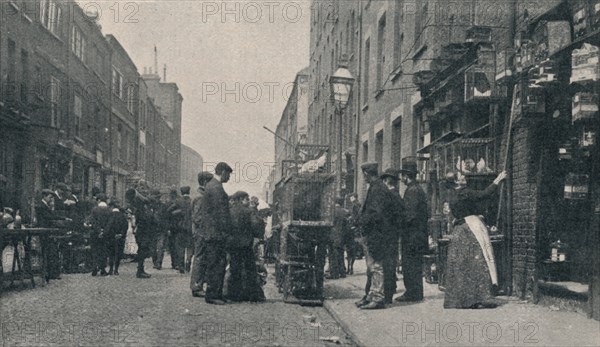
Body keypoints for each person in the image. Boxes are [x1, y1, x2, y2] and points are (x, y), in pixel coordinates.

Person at [444, 170, 507, 309]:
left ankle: (464, 298)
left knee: (463, 264)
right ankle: (482, 296)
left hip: (460, 230)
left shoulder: (452, 195)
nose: (464, 177)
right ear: (456, 181)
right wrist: (498, 180)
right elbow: (484, 194)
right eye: (460, 176)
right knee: (480, 260)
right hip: (471, 227)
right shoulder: (465, 192)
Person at [356, 162, 397, 310]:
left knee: (377, 266)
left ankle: (378, 298)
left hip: (377, 233)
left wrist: (363, 222)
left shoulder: (378, 189)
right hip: (375, 232)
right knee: (372, 267)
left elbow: (376, 213)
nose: (364, 177)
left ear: (367, 174)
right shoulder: (377, 187)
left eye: (364, 175)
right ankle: (371, 296)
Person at [395, 159, 428, 303]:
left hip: (412, 235)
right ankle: (416, 292)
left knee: (410, 264)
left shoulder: (412, 191)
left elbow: (410, 215)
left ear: (406, 176)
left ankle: (412, 293)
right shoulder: (417, 189)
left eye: (402, 175)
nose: (401, 178)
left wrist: (399, 224)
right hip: (418, 234)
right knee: (414, 264)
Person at [226, 191, 266, 302]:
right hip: (246, 244)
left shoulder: (229, 211)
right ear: (241, 199)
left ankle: (234, 295)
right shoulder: (248, 212)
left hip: (232, 244)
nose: (248, 201)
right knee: (250, 269)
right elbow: (256, 226)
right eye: (246, 199)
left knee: (234, 269)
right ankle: (252, 295)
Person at [202, 162, 233, 305]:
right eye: (228, 174)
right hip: (216, 234)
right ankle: (212, 295)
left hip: (214, 233)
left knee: (217, 263)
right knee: (216, 264)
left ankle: (216, 293)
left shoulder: (213, 186)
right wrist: (227, 231)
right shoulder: (216, 188)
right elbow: (221, 215)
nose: (229, 177)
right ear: (223, 172)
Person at [380, 168, 405, 304]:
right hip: (393, 234)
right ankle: (391, 289)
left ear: (387, 181)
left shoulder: (391, 195)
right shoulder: (397, 195)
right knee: (390, 263)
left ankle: (388, 293)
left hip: (389, 234)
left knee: (388, 264)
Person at [36, 189, 71, 280]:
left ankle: (50, 273)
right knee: (50, 252)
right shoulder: (41, 206)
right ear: (44, 196)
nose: (51, 199)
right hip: (44, 232)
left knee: (51, 251)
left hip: (47, 231)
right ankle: (50, 273)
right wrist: (63, 218)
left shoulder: (44, 205)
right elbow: (49, 217)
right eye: (49, 197)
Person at [190, 172, 214, 297]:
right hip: (201, 233)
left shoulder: (202, 195)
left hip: (202, 232)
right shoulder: (200, 197)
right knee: (199, 258)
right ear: (205, 182)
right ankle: (196, 286)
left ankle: (198, 285)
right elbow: (198, 218)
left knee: (202, 258)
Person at [127, 188, 154, 278]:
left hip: (141, 232)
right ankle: (140, 271)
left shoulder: (138, 210)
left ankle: (140, 269)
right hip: (143, 232)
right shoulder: (141, 211)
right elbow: (145, 220)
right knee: (143, 250)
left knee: (142, 250)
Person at [90, 194, 112, 276]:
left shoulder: (94, 209)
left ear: (98, 200)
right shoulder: (109, 210)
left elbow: (93, 222)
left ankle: (94, 268)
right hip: (106, 234)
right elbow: (110, 223)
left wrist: (99, 231)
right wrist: (104, 231)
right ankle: (102, 269)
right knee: (104, 251)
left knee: (95, 250)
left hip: (95, 233)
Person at [327, 197, 348, 279]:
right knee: (341, 254)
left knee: (332, 255)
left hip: (333, 235)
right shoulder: (344, 212)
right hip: (341, 236)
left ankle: (334, 274)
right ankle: (342, 272)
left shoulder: (332, 212)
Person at [106, 200, 128, 275]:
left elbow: (108, 226)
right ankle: (116, 270)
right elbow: (125, 226)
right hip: (120, 237)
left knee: (111, 254)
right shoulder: (122, 216)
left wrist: (110, 234)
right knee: (118, 254)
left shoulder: (109, 215)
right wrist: (121, 234)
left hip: (111, 237)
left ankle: (110, 269)